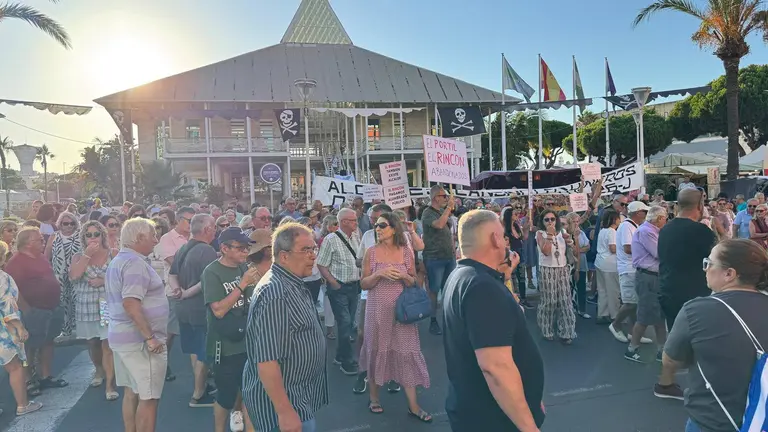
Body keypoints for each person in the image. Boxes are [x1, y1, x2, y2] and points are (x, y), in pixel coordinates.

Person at [443, 210, 544, 432]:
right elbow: (496, 368)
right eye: (502, 234)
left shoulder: (462, 275)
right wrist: (530, 427)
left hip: (477, 410)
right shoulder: (482, 288)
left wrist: (532, 396)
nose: (506, 240)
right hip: (494, 419)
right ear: (495, 239)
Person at [659, 239, 768, 430]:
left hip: (714, 420)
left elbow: (672, 360)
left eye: (708, 263)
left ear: (729, 274)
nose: (705, 269)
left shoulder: (697, 310)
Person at [243, 223, 328, 432]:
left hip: (298, 397)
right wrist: (285, 412)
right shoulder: (276, 294)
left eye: (313, 249)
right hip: (283, 407)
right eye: (305, 250)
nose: (312, 256)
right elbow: (267, 361)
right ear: (284, 256)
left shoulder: (292, 282)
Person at [359, 212, 430, 420]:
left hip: (402, 312)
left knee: (406, 353)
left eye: (382, 225)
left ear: (394, 228)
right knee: (376, 350)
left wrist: (403, 277)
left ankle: (414, 407)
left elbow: (414, 281)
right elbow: (363, 283)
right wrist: (378, 274)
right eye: (376, 226)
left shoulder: (406, 252)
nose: (378, 229)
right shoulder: (370, 253)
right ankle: (374, 398)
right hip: (377, 310)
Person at [105, 219, 168, 432]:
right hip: (139, 342)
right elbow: (130, 303)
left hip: (123, 339)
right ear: (139, 238)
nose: (156, 240)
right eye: (152, 235)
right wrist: (149, 337)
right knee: (149, 398)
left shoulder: (120, 260)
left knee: (132, 392)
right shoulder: (134, 263)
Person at [203, 227, 262, 432]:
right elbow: (218, 310)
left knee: (248, 392)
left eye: (246, 248)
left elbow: (252, 301)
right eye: (240, 248)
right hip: (224, 346)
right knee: (226, 396)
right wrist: (242, 284)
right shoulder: (212, 272)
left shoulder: (243, 267)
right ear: (224, 248)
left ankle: (243, 423)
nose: (245, 252)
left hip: (247, 340)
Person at [7, 228, 68, 394]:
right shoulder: (16, 262)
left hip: (51, 308)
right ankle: (28, 380)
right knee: (30, 347)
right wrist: (28, 311)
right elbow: (14, 290)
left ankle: (45, 376)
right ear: (28, 243)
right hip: (34, 310)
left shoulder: (40, 257)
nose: (43, 242)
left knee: (48, 342)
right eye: (39, 240)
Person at [168, 213, 218, 408]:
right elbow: (207, 280)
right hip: (198, 309)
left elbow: (172, 274)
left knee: (195, 350)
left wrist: (177, 289)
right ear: (206, 230)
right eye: (213, 227)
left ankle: (201, 386)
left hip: (183, 309)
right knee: (204, 353)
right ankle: (198, 393)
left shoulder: (182, 248)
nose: (215, 231)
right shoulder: (207, 251)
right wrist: (187, 292)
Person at [69, 221, 119, 401]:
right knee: (92, 342)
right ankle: (98, 369)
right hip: (87, 305)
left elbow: (120, 277)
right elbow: (74, 276)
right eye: (88, 235)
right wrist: (87, 256)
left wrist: (103, 280)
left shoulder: (113, 254)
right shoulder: (78, 256)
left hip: (106, 305)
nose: (92, 238)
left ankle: (110, 385)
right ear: (83, 238)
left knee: (108, 344)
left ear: (102, 236)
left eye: (96, 234)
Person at [658, 188, 717, 330]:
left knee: (675, 337)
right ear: (700, 206)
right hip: (694, 295)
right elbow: (717, 258)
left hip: (668, 291)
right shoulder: (701, 231)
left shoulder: (665, 228)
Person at [316, 207, 361, 375]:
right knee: (345, 323)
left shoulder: (356, 237)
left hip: (354, 285)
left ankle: (340, 356)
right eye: (353, 220)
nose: (357, 223)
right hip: (340, 287)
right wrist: (334, 283)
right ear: (343, 222)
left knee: (348, 324)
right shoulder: (330, 239)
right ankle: (347, 361)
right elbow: (321, 264)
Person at [0, 240, 42, 416]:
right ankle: (22, 405)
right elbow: (7, 305)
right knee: (15, 367)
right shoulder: (3, 278)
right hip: (5, 330)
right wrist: (20, 327)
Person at [535, 209, 576, 344]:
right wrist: (550, 235)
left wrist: (570, 241)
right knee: (549, 301)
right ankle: (546, 329)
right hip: (547, 269)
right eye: (547, 219)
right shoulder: (540, 234)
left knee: (565, 301)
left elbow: (573, 250)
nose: (550, 222)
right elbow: (546, 252)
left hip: (562, 268)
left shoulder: (562, 232)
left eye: (552, 219)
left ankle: (567, 332)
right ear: (542, 222)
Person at [421, 185, 456, 336]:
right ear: (436, 197)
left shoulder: (441, 211)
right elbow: (440, 225)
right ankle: (433, 321)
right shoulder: (428, 213)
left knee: (449, 290)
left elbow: (447, 231)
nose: (446, 198)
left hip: (448, 257)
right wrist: (449, 209)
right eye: (444, 196)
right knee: (434, 291)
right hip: (434, 257)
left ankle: (449, 321)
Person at [46, 211, 81, 341]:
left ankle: (78, 328)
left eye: (72, 223)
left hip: (76, 273)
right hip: (59, 273)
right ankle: (65, 330)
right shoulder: (54, 236)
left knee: (76, 299)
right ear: (60, 224)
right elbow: (47, 254)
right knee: (63, 301)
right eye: (66, 223)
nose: (69, 226)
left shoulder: (80, 236)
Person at [595, 210, 621, 325]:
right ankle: (615, 315)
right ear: (614, 219)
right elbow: (613, 248)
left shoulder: (602, 231)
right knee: (613, 291)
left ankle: (602, 313)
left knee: (602, 290)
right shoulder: (612, 232)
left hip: (600, 262)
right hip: (610, 264)